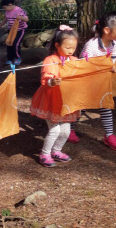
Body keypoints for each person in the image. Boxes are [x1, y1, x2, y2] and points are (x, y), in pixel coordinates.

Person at [69, 12, 116, 150]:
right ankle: (70, 129)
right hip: (86, 82)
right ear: (107, 30)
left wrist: (111, 68)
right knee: (82, 106)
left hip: (102, 83)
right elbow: (84, 65)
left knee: (106, 107)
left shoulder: (115, 44)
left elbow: (111, 63)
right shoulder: (92, 45)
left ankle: (109, 135)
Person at [30, 25, 80, 167]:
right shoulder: (51, 59)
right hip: (51, 100)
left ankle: (56, 151)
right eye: (68, 48)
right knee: (55, 129)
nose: (71, 51)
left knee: (66, 130)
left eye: (73, 48)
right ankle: (44, 154)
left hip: (66, 101)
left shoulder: (74, 60)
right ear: (57, 45)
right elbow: (46, 77)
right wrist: (52, 81)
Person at [0, 0, 29, 66]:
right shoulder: (7, 12)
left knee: (15, 44)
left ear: (10, 5)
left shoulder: (19, 10)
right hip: (11, 30)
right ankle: (9, 59)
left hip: (20, 30)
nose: (5, 9)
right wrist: (0, 25)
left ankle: (18, 57)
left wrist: (20, 17)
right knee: (9, 43)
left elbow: (27, 19)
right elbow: (6, 19)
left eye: (5, 7)